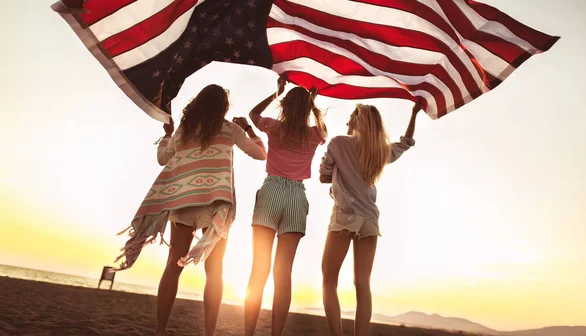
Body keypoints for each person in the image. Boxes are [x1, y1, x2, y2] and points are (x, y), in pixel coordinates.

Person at [114, 84, 267, 336]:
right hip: (215, 205)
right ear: (223, 107)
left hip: (183, 202)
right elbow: (261, 154)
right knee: (214, 271)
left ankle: (160, 330)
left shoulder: (184, 130)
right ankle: (209, 333)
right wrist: (250, 130)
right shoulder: (230, 129)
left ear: (197, 103)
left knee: (173, 267)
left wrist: (167, 134)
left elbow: (163, 158)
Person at [319, 101, 421, 336]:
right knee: (363, 285)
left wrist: (336, 179)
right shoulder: (379, 150)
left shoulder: (337, 143)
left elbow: (324, 175)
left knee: (328, 280)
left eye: (350, 118)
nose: (347, 122)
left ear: (358, 121)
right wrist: (414, 114)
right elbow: (405, 143)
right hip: (369, 221)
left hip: (344, 217)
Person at [244, 77, 327, 336]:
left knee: (259, 268)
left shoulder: (274, 127)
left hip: (271, 191)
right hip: (295, 196)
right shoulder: (314, 134)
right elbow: (324, 131)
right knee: (284, 273)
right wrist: (313, 105)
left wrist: (276, 92)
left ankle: (248, 333)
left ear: (285, 107)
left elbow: (253, 114)